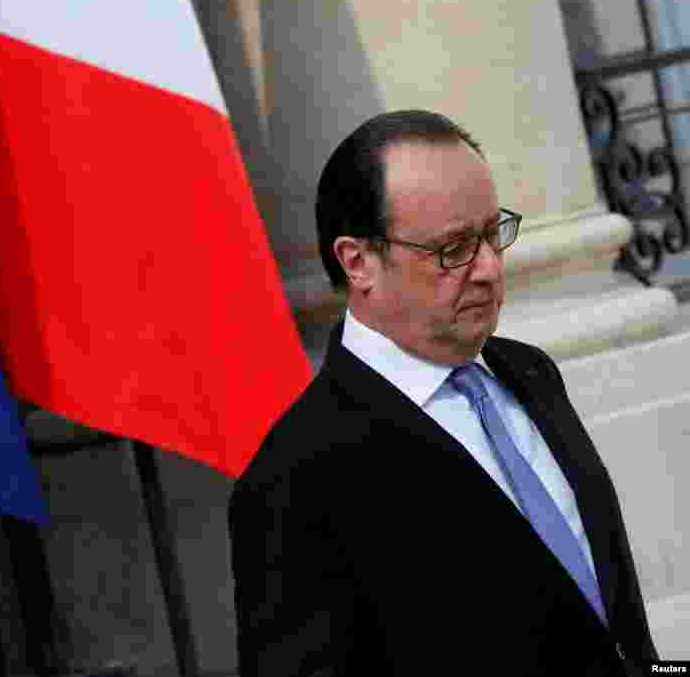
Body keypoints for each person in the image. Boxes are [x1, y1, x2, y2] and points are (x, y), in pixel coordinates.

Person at [229, 110, 658, 675]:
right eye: (453, 249)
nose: (486, 268)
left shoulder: (530, 374)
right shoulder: (296, 476)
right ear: (358, 262)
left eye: (491, 234)